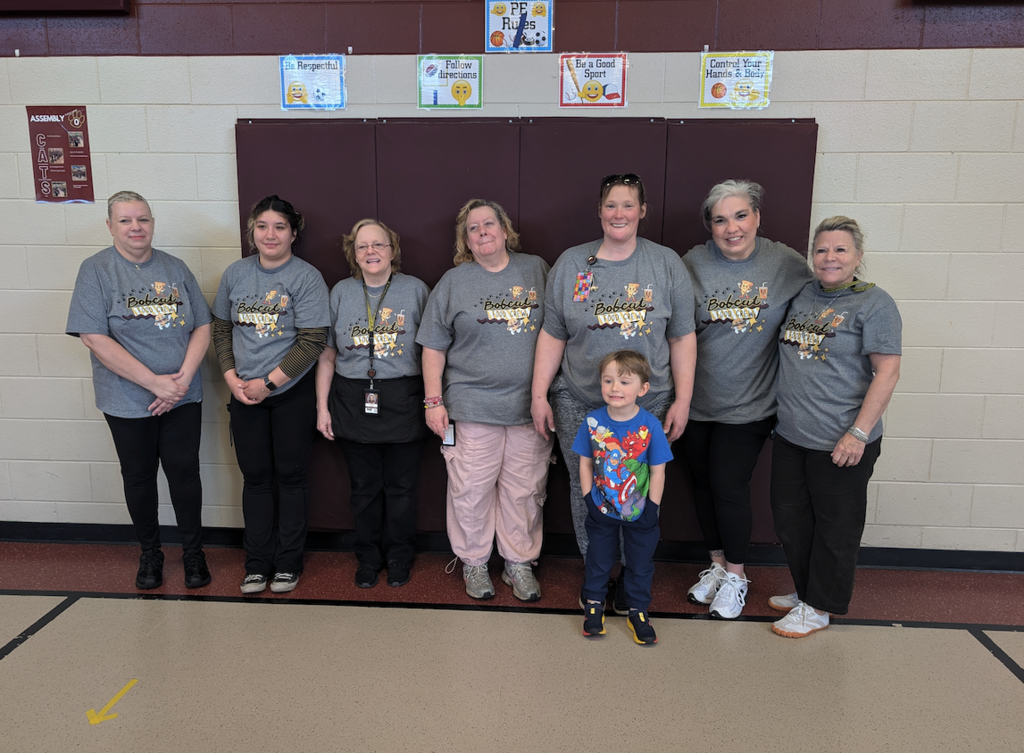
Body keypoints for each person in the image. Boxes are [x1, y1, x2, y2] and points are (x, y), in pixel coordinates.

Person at [531, 173, 696, 612]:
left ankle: (630, 574)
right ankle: (598, 572)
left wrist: (682, 399)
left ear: (643, 211)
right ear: (599, 211)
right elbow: (552, 333)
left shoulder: (665, 264)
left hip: (649, 402)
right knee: (586, 488)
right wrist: (538, 394)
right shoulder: (571, 263)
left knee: (635, 485)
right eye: (610, 205)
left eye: (628, 205)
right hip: (579, 400)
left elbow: (682, 336)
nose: (618, 213)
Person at [680, 180, 814, 619]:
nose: (731, 227)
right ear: (709, 226)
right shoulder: (692, 264)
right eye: (720, 219)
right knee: (701, 484)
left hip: (752, 403)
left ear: (757, 217)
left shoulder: (785, 263)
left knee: (728, 484)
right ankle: (717, 565)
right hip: (694, 402)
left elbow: (819, 302)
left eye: (740, 216)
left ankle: (737, 576)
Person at [67, 191, 212, 590]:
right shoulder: (96, 270)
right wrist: (155, 384)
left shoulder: (175, 266)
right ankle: (150, 554)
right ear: (110, 225)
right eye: (127, 220)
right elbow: (93, 336)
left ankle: (194, 553)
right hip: (128, 400)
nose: (136, 228)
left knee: (185, 474)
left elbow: (202, 324)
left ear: (152, 223)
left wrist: (179, 381)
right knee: (139, 477)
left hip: (183, 395)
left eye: (143, 219)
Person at [769, 216, 901, 638]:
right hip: (792, 435)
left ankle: (820, 606)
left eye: (841, 249)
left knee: (836, 526)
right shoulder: (804, 294)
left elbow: (888, 372)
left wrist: (858, 433)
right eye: (822, 249)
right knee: (792, 519)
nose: (830, 257)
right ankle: (807, 589)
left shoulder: (874, 303)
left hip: (842, 439)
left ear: (858, 256)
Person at [417, 199, 552, 602]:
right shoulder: (454, 282)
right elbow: (432, 347)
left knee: (525, 490)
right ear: (465, 241)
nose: (482, 233)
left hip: (530, 409)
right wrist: (432, 401)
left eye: (488, 224)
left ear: (505, 229)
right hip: (471, 407)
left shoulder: (536, 270)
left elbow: (561, 329)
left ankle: (518, 563)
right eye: (472, 229)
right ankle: (474, 562)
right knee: (470, 490)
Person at [212, 195, 329, 595]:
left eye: (279, 226)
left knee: (291, 478)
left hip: (289, 395)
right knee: (255, 479)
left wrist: (270, 383)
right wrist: (233, 380)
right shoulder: (235, 274)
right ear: (252, 232)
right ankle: (257, 563)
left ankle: (288, 563)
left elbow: (313, 340)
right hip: (244, 394)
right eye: (262, 226)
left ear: (293, 232)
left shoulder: (306, 278)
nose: (270, 234)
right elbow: (222, 328)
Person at [315, 219, 430, 589]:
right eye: (362, 246)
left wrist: (433, 400)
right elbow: (328, 354)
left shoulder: (415, 290)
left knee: (402, 487)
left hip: (403, 397)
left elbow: (433, 350)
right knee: (363, 488)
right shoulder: (341, 293)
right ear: (353, 253)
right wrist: (322, 407)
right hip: (352, 398)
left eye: (378, 245)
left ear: (392, 250)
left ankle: (399, 555)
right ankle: (367, 556)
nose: (371, 252)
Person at [576, 351, 672, 645]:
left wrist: (652, 508)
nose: (615, 388)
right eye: (608, 380)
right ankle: (593, 605)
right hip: (601, 507)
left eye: (624, 381)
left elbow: (658, 472)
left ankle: (638, 610)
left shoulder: (651, 426)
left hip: (640, 509)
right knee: (598, 558)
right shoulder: (592, 422)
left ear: (642, 389)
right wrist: (589, 500)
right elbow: (585, 464)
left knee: (640, 562)